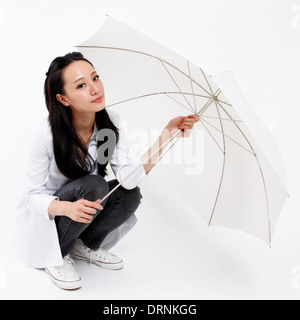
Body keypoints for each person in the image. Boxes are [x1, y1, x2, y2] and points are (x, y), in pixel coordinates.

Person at [16, 52, 199, 290]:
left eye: (95, 78)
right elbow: (31, 198)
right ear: (63, 99)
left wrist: (167, 134)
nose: (95, 89)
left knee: (129, 194)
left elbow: (129, 180)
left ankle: (84, 245)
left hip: (83, 207)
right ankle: (58, 254)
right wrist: (67, 208)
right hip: (54, 214)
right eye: (81, 85)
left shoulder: (108, 124)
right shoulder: (47, 134)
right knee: (94, 184)